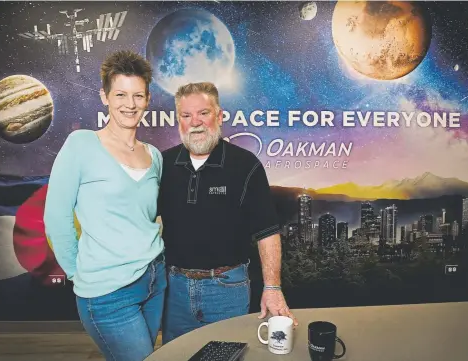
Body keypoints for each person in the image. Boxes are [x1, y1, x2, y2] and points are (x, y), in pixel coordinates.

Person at [44, 50, 166, 361]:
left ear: (148, 99)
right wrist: (79, 273)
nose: (130, 103)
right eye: (121, 94)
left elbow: (150, 216)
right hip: (108, 293)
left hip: (154, 280)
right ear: (104, 97)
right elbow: (56, 218)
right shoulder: (81, 145)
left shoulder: (154, 155)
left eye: (138, 95)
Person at [158, 82, 298, 344]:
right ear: (178, 121)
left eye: (203, 113)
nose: (195, 122)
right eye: (186, 116)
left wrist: (273, 288)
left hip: (227, 290)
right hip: (174, 290)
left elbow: (267, 231)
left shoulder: (245, 165)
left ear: (219, 116)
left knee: (228, 353)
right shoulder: (162, 164)